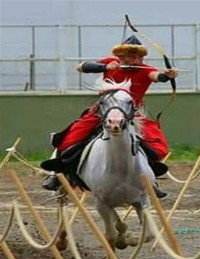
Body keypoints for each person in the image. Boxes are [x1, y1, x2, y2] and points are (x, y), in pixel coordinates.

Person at [42, 35, 178, 197]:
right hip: (102, 111)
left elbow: (157, 76)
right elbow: (80, 67)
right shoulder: (110, 63)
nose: (135, 60)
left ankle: (150, 180)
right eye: (130, 57)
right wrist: (104, 68)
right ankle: (57, 176)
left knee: (157, 145)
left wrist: (167, 76)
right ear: (121, 56)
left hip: (131, 115)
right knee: (68, 138)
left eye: (138, 57)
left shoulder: (146, 70)